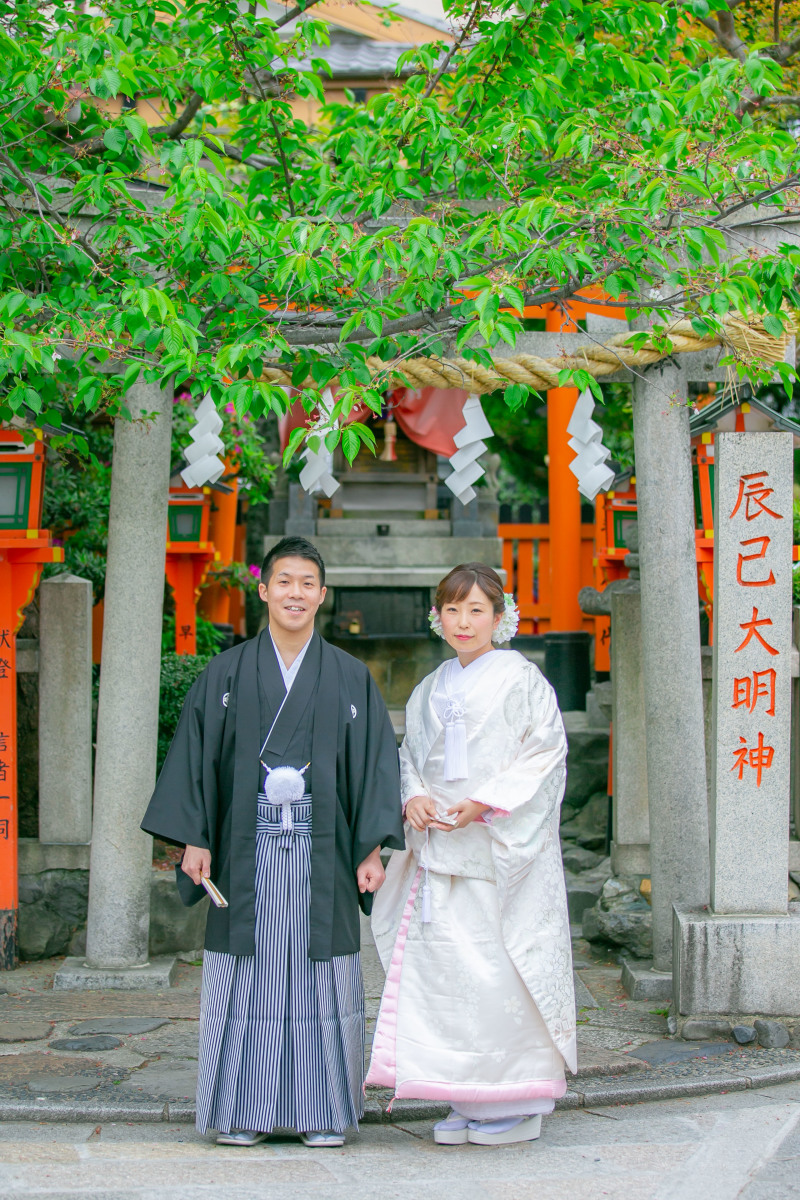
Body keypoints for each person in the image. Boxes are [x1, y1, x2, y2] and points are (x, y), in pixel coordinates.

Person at [141, 535, 404, 1148]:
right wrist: (193, 840)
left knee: (322, 978)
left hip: (324, 854)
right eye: (283, 581)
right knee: (246, 978)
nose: (295, 593)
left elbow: (372, 767)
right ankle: (241, 1111)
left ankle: (324, 1113)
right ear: (263, 589)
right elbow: (197, 760)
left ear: (322, 595)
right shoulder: (227, 672)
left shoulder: (348, 677)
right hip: (241, 850)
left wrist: (370, 849)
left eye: (307, 583)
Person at [366, 562, 576, 1147]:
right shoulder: (431, 685)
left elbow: (545, 754)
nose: (463, 622)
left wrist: (484, 804)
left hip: (495, 852)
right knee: (450, 977)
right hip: (439, 848)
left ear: (500, 617)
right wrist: (414, 798)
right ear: (438, 617)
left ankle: (517, 1099)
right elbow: (409, 755)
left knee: (497, 974)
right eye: (452, 610)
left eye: (476, 610)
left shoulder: (522, 680)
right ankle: (465, 1094)